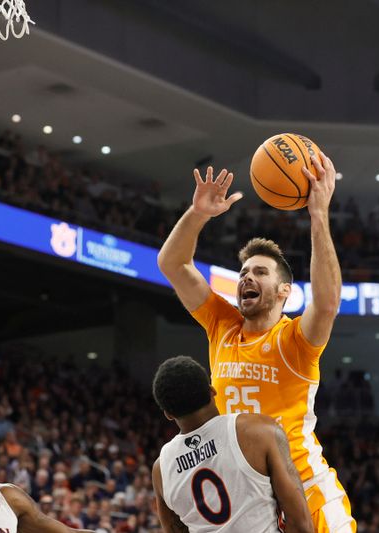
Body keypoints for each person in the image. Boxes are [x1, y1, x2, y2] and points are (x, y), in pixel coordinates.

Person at [157, 155, 354, 532]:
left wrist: (318, 215)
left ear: (284, 292)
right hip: (250, 495)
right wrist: (198, 213)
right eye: (244, 272)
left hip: (305, 485)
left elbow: (327, 304)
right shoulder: (222, 324)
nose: (247, 277)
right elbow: (173, 264)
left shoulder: (294, 339)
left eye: (260, 272)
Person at [151, 356, 313, 533]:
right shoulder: (259, 431)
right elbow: (300, 524)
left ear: (168, 414)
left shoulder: (161, 470)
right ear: (212, 390)